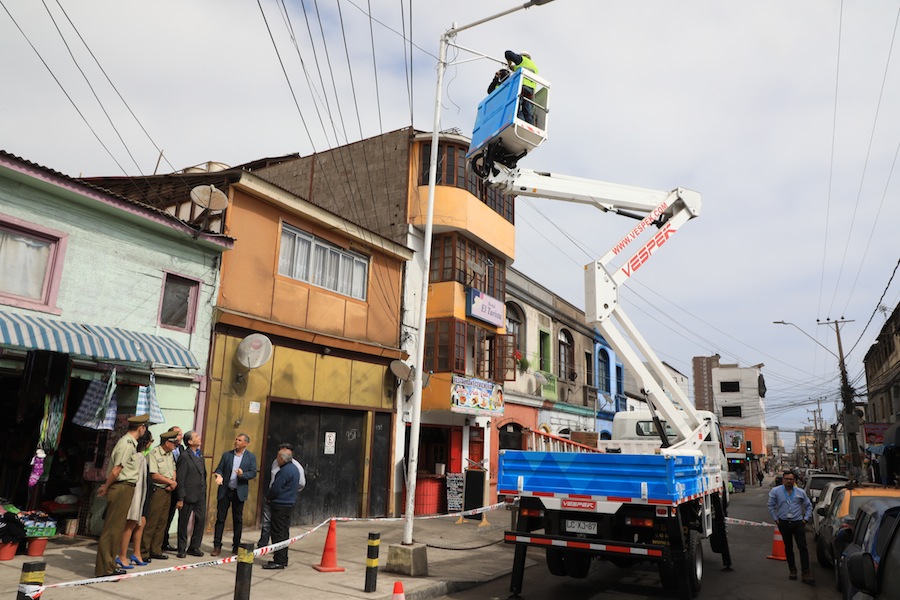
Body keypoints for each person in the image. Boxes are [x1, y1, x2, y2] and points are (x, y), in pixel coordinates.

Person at [94, 414, 148, 578]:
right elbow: (117, 469)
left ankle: (109, 565)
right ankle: (105, 569)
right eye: (144, 427)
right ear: (140, 428)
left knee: (116, 530)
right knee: (112, 530)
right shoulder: (127, 444)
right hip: (121, 487)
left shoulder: (130, 443)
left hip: (125, 487)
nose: (144, 430)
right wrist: (106, 486)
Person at [211, 433, 257, 556]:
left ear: (246, 443)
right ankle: (217, 545)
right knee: (220, 519)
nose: (236, 442)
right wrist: (219, 475)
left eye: (240, 440)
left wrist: (243, 475)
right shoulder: (227, 455)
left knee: (238, 520)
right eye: (236, 439)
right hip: (225, 491)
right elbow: (219, 468)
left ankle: (236, 545)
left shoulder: (250, 457)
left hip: (239, 492)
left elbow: (253, 473)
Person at [767, 470, 814, 585]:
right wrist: (776, 519)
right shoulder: (776, 491)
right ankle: (792, 570)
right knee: (788, 547)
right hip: (783, 523)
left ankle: (806, 572)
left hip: (798, 523)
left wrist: (805, 519)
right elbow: (770, 505)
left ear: (794, 480)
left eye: (791, 479)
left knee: (803, 547)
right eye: (786, 479)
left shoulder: (800, 492)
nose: (789, 481)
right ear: (783, 480)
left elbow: (808, 506)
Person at [116, 429, 153, 570]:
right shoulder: (136, 456)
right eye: (150, 441)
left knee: (140, 524)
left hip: (143, 495)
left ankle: (136, 554)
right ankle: (122, 556)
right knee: (129, 525)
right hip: (134, 495)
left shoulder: (143, 456)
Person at [257, 442, 306, 548]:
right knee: (268, 524)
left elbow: (298, 484)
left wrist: (288, 492)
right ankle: (264, 544)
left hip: (281, 501)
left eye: (279, 456)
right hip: (275, 499)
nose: (277, 458)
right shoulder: (277, 464)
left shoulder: (290, 468)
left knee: (279, 530)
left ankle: (279, 555)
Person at [140, 430, 179, 560]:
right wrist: (170, 482)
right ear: (167, 443)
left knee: (162, 522)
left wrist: (172, 482)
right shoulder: (154, 454)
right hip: (157, 490)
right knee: (152, 521)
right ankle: (144, 551)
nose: (175, 445)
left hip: (168, 490)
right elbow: (154, 475)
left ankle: (156, 550)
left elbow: (173, 469)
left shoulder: (170, 454)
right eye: (173, 443)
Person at [262, 448, 300, 570]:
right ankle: (282, 558)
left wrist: (268, 497)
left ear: (283, 459)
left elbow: (276, 487)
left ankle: (279, 560)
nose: (277, 459)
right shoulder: (294, 469)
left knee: (278, 533)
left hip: (280, 504)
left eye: (278, 457)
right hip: (288, 504)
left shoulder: (284, 471)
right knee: (284, 532)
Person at [175, 430, 206, 558]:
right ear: (189, 441)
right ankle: (182, 548)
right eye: (196, 437)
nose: (199, 438)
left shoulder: (200, 454)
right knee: (184, 522)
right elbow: (181, 478)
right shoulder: (185, 456)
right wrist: (180, 497)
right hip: (188, 494)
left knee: (201, 520)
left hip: (200, 494)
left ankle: (194, 546)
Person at [162, 426, 183, 552]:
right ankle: (159, 542)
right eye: (178, 434)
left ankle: (165, 542)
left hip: (176, 488)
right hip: (165, 487)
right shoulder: (164, 450)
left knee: (170, 516)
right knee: (162, 517)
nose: (180, 437)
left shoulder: (181, 449)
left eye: (181, 434)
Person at [504, 50, 538, 125]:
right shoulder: (534, 66)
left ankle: (519, 122)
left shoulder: (522, 59)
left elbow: (508, 53)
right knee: (527, 111)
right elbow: (522, 68)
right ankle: (529, 125)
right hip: (530, 91)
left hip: (522, 87)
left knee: (517, 107)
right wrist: (513, 68)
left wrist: (509, 62)